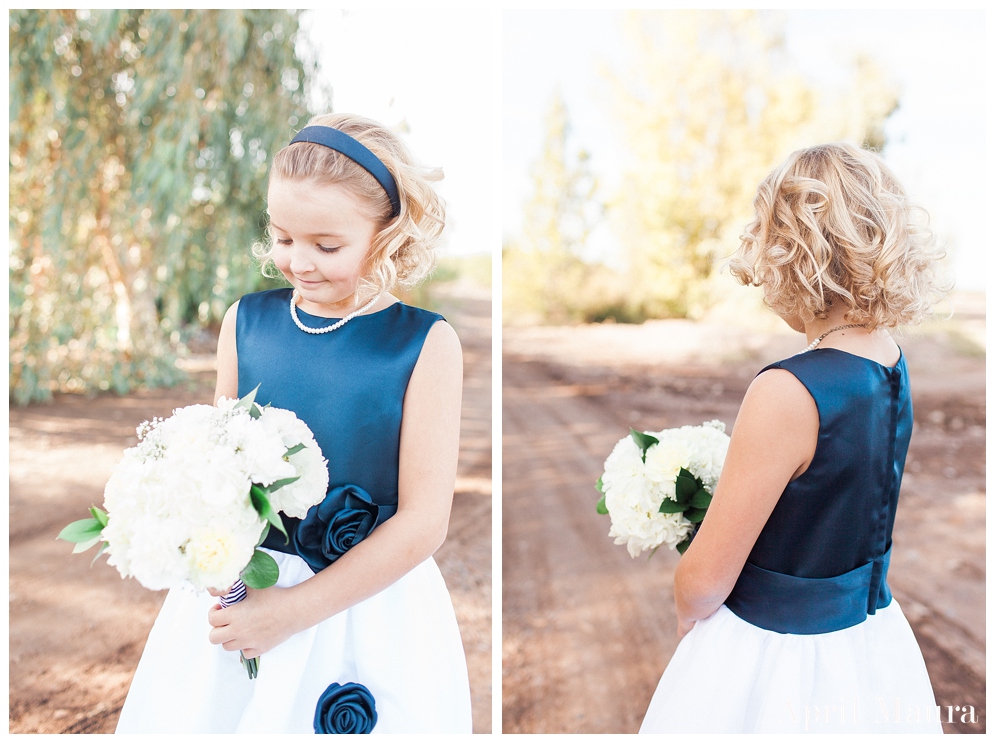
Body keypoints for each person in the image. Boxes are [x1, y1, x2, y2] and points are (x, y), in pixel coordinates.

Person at [116, 113, 472, 733]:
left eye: (326, 246)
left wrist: (290, 612)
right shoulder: (245, 324)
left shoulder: (423, 345)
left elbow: (424, 521)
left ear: (387, 234)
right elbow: (215, 470)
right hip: (243, 589)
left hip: (361, 608)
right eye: (282, 237)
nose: (298, 261)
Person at [639, 143, 944, 734]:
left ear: (790, 254)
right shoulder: (891, 361)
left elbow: (705, 581)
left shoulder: (788, 390)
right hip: (867, 641)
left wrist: (689, 615)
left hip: (781, 660)